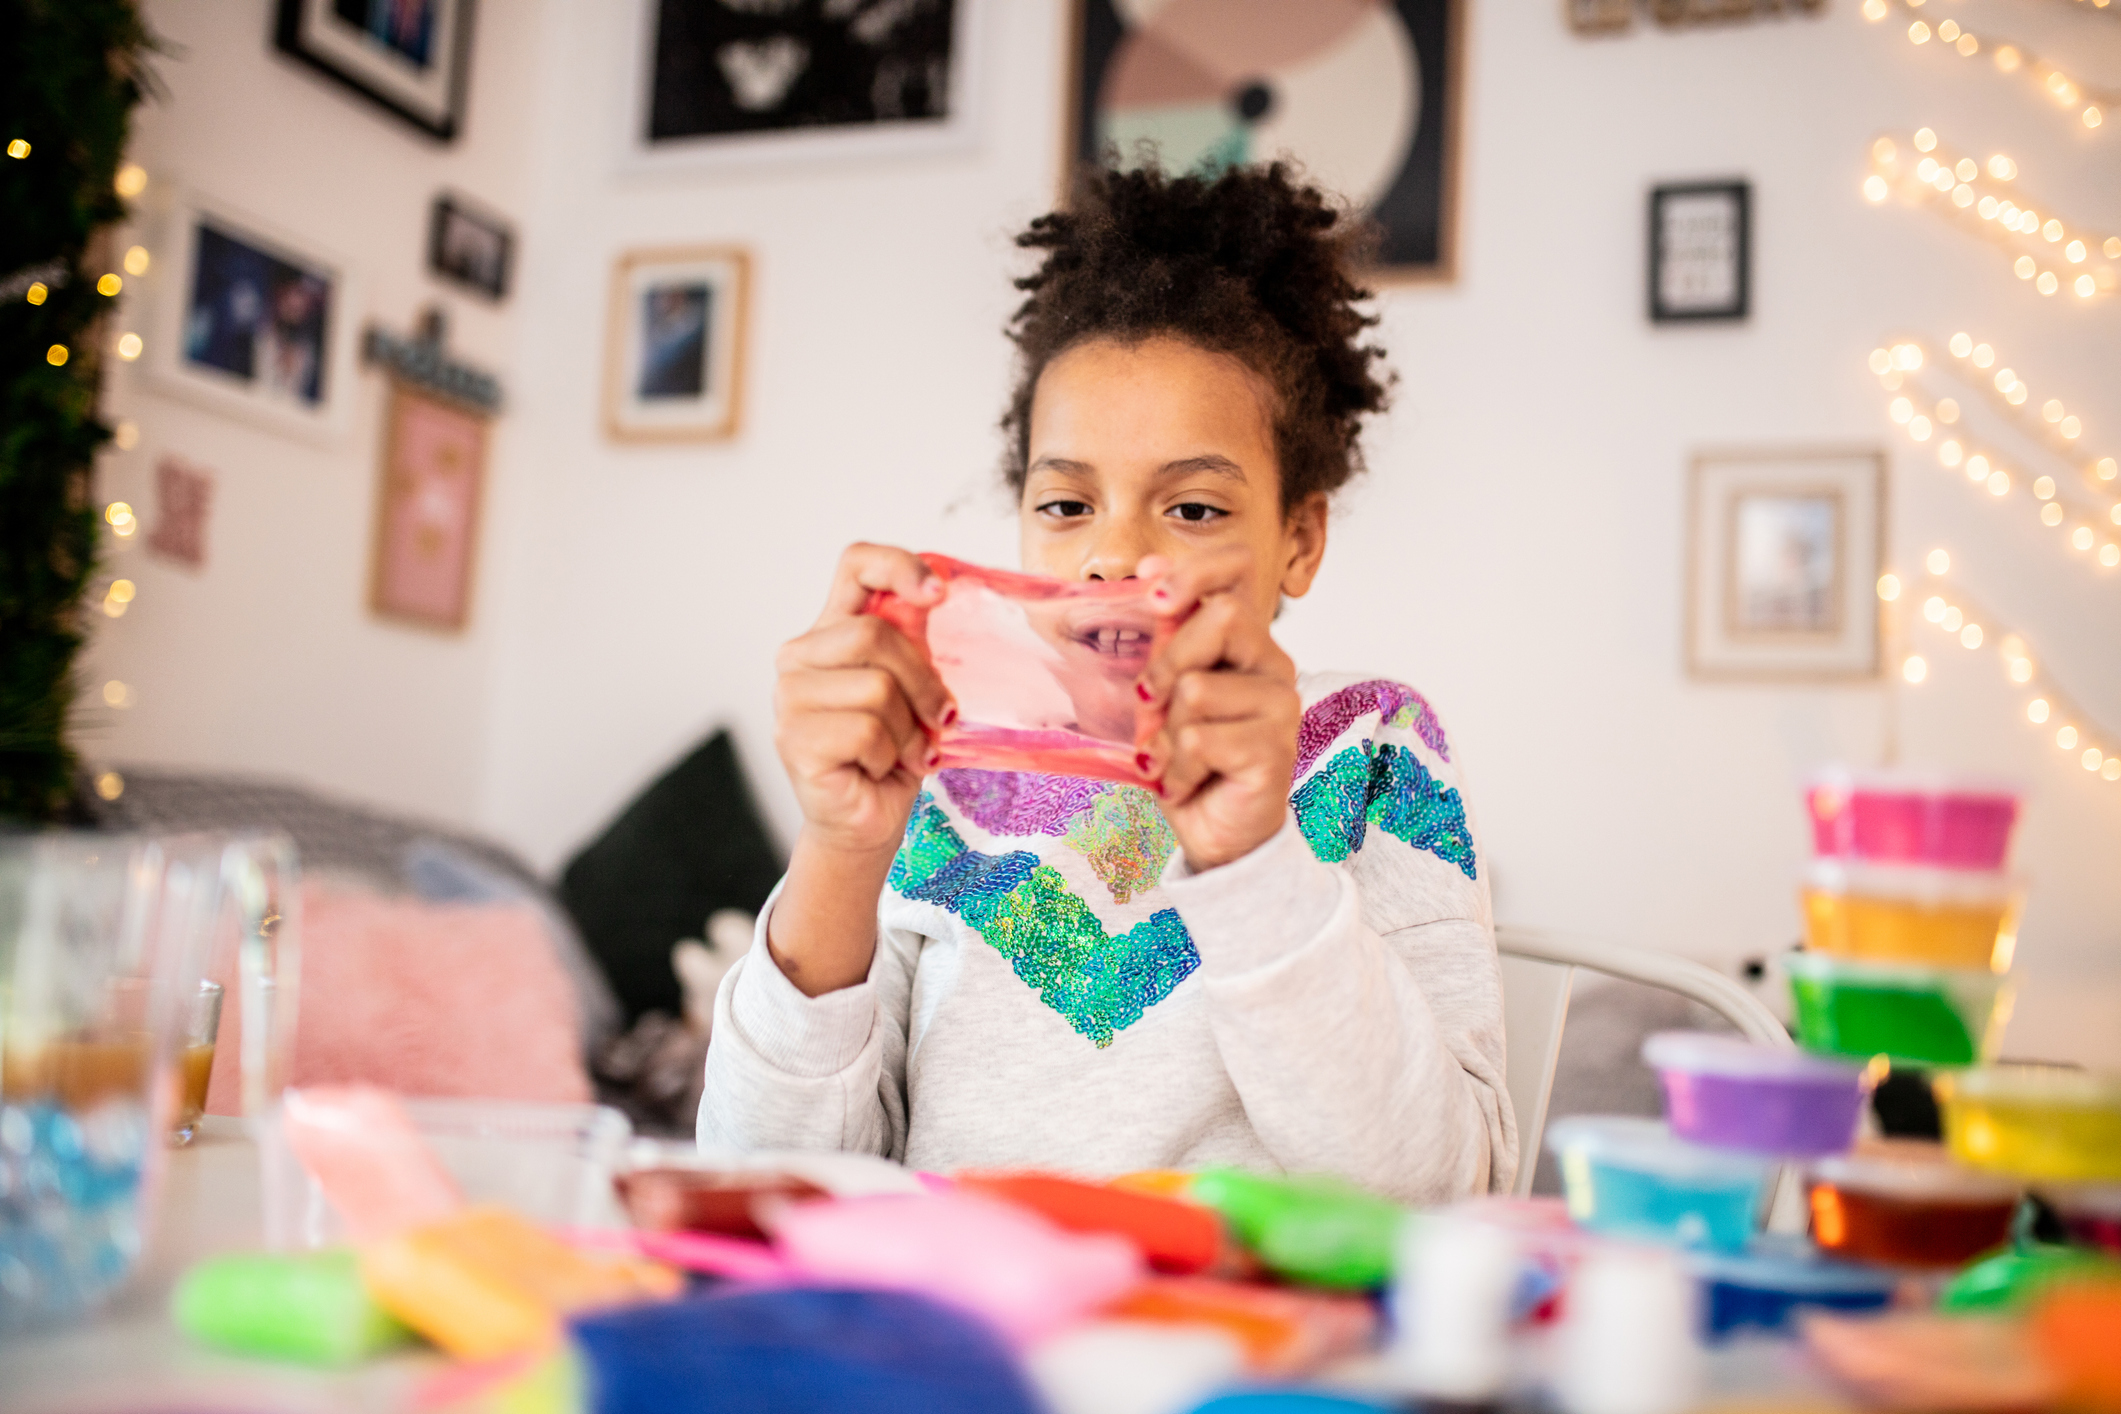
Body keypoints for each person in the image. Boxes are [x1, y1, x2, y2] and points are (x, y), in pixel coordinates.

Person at [699, 162, 1516, 1202]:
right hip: (964, 1330)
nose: (1112, 558)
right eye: (1067, 504)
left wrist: (1253, 858)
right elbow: (754, 1184)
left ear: (1299, 539)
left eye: (1193, 510)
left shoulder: (1374, 750)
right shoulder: (939, 774)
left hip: (1255, 1345)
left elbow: (1449, 1192)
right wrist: (842, 848)